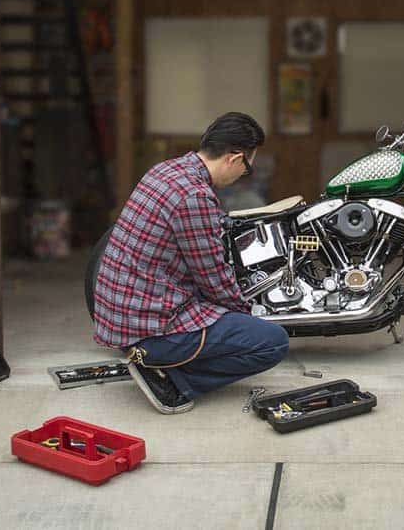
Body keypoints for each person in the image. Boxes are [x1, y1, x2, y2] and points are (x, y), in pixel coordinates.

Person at [93, 112, 289, 414]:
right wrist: (247, 316)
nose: (242, 175)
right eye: (246, 168)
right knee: (273, 342)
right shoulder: (194, 196)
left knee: (224, 313)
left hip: (118, 316)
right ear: (234, 158)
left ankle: (160, 360)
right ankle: (172, 378)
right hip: (147, 329)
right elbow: (214, 280)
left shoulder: (164, 170)